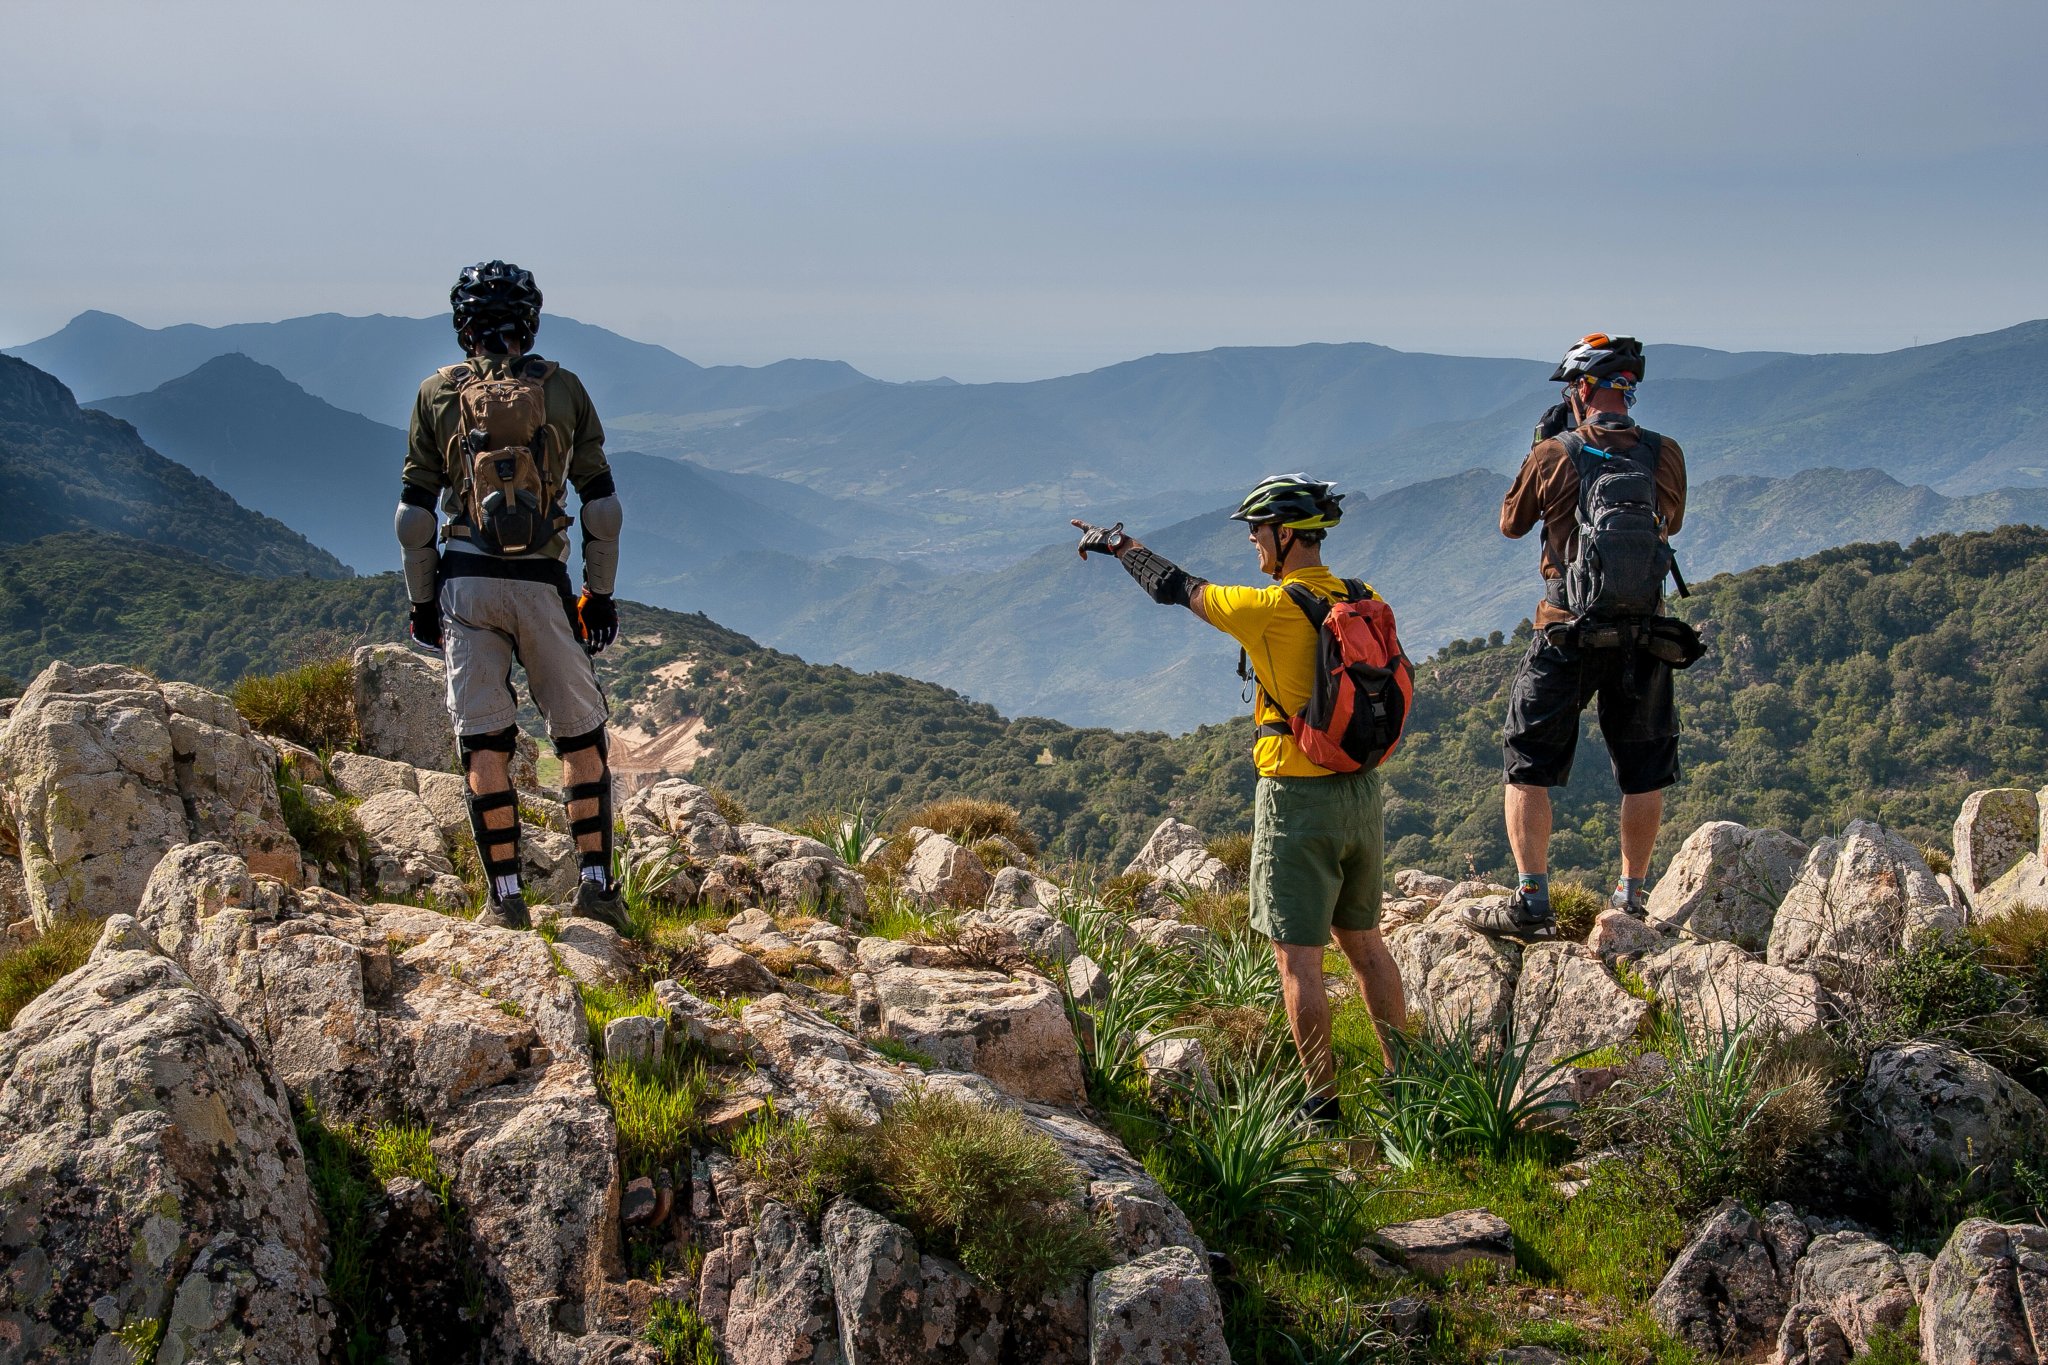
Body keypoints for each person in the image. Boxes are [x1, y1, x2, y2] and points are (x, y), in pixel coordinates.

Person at [1072, 476, 1409, 1124]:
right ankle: (1408, 1084)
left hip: (1298, 799)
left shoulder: (1271, 608)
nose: (1253, 541)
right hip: (1362, 795)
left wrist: (1119, 545)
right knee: (1366, 944)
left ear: (1285, 534)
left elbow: (1179, 588)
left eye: (1257, 530)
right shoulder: (1363, 598)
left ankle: (1321, 1101)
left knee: (1298, 958)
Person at [395, 260, 630, 933]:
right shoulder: (565, 392)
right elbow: (602, 505)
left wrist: (421, 604)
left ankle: (504, 898)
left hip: (466, 584)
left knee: (485, 744)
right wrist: (598, 596)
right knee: (581, 736)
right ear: (529, 321)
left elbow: (414, 517)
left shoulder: (434, 394)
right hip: (542, 585)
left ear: (462, 324)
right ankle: (596, 888)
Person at [1467, 334, 1688, 938]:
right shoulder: (1664, 452)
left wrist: (1541, 449)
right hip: (1644, 634)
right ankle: (1631, 896)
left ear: (1583, 389)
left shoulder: (1555, 453)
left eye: (1573, 387)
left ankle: (1532, 900)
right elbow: (1671, 522)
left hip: (1567, 630)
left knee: (1528, 762)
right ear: (1628, 390)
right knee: (1643, 768)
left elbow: (1511, 525)